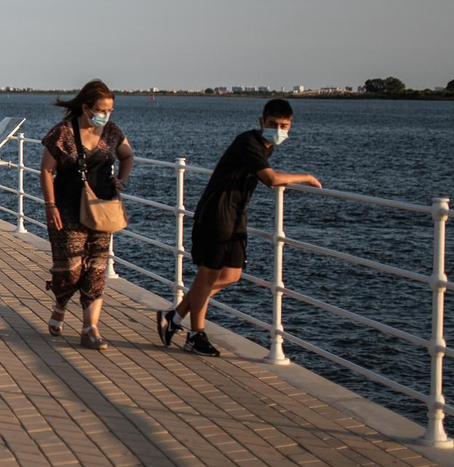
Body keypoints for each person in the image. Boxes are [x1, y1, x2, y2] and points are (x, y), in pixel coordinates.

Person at [157, 98, 322, 357]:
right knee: (208, 275)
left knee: (232, 274)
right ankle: (195, 335)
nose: (278, 130)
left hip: (236, 215)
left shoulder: (267, 148)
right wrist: (307, 177)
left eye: (284, 126)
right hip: (216, 213)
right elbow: (270, 178)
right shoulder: (248, 142)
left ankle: (174, 317)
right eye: (273, 124)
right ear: (261, 122)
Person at [39, 80, 134, 350]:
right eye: (101, 110)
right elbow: (46, 170)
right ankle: (60, 302)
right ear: (86, 108)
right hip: (67, 208)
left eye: (110, 110)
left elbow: (127, 156)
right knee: (70, 270)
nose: (106, 115)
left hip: (101, 207)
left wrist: (122, 180)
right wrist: (50, 205)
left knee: (96, 268)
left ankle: (90, 328)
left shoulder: (112, 132)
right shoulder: (62, 133)